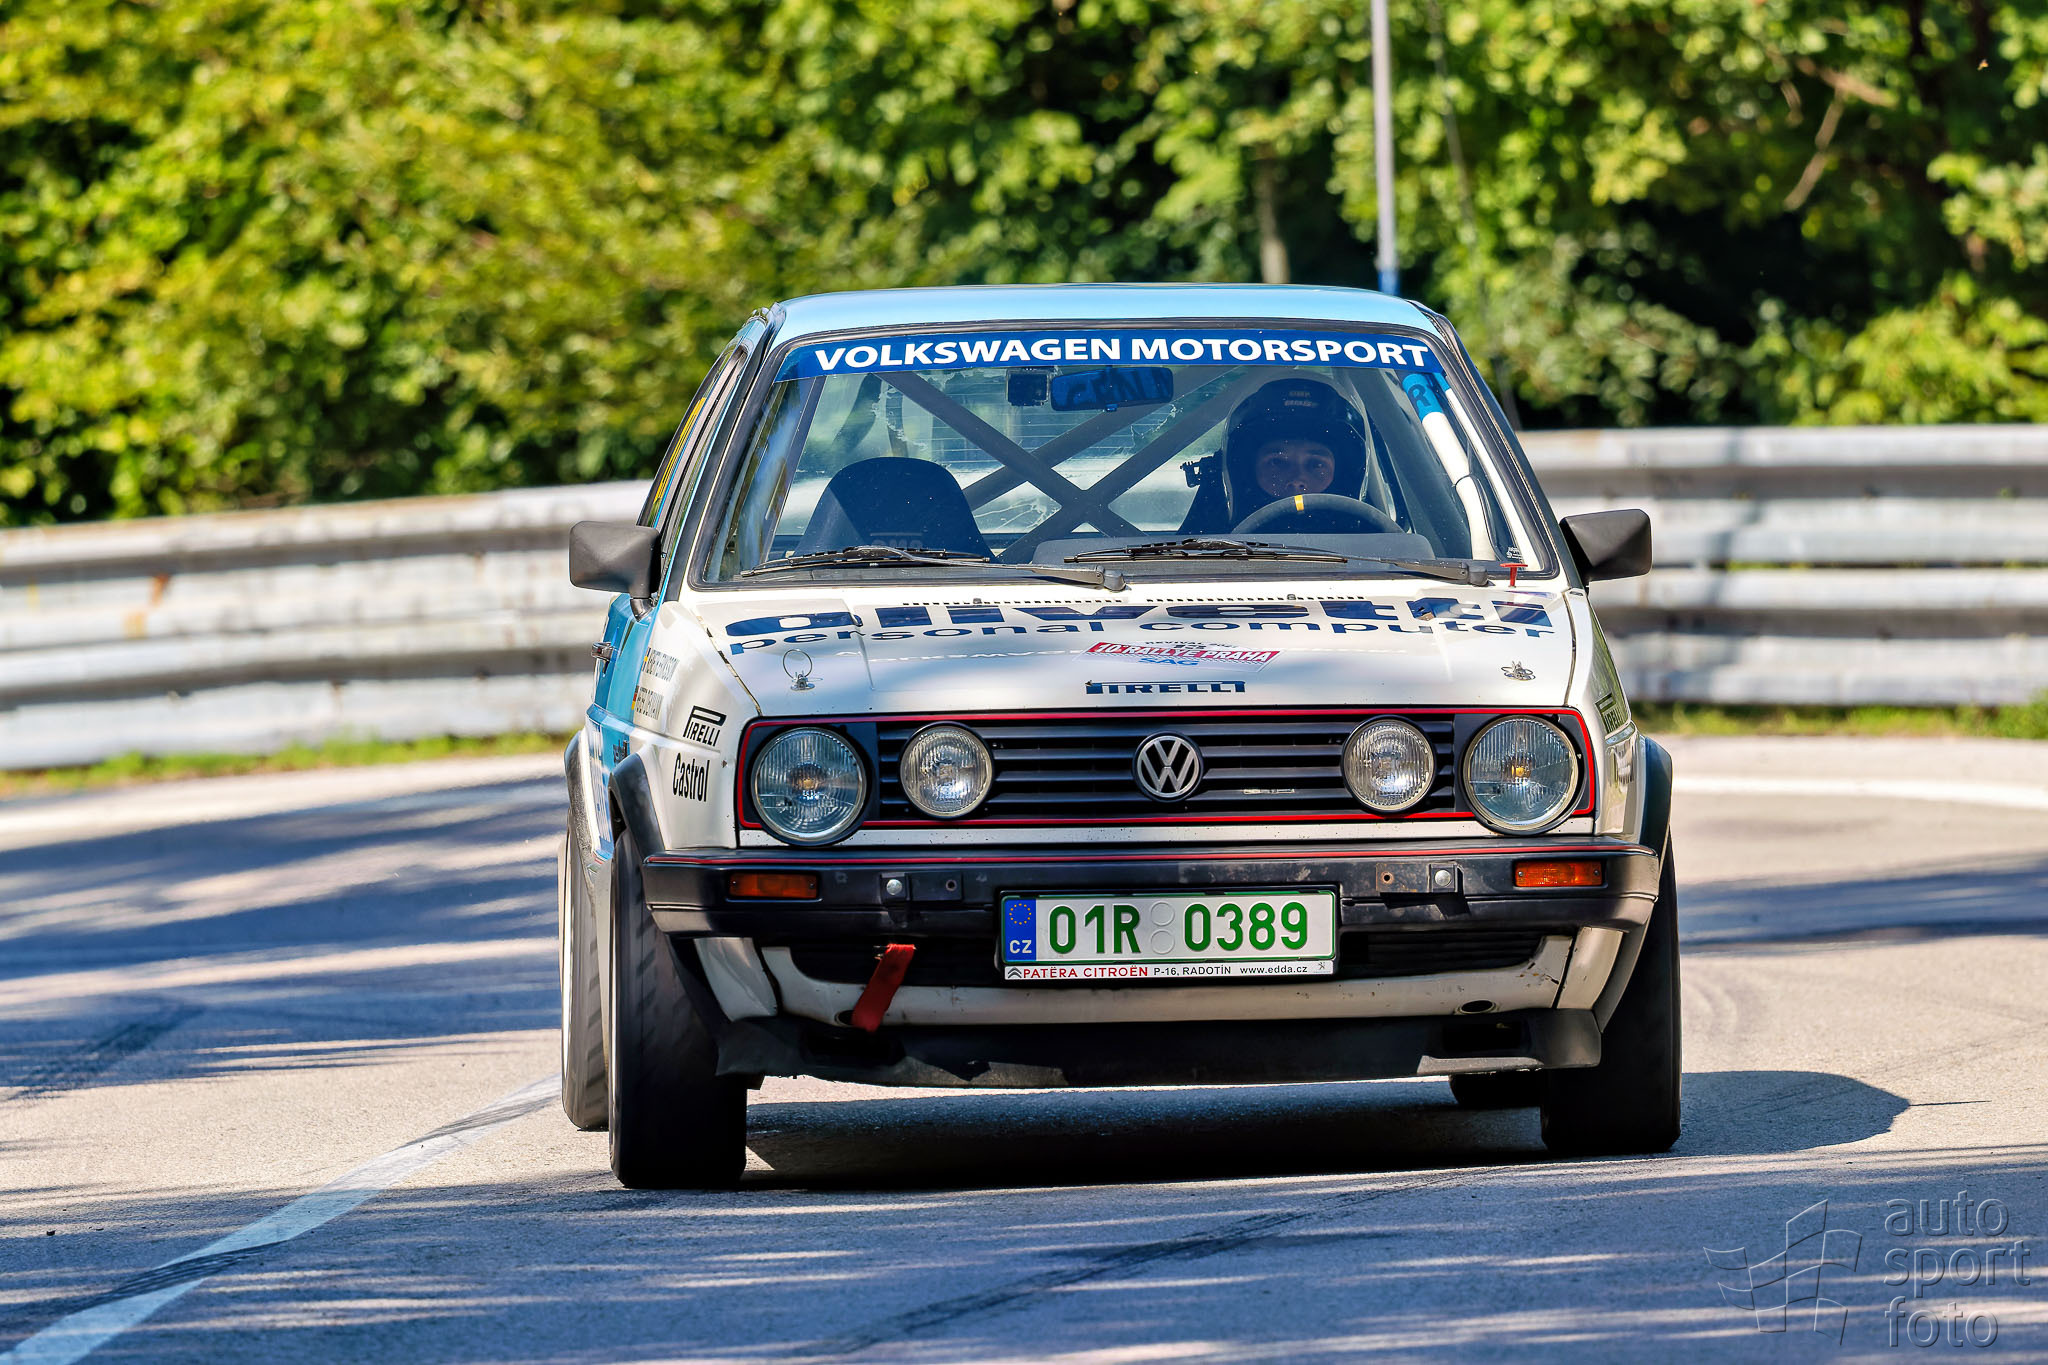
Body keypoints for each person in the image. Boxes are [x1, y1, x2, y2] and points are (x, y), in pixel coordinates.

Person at [1219, 378, 1371, 526]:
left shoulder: (1378, 535)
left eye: (1317, 464)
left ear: (1342, 474)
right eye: (1277, 462)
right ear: (1246, 471)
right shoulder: (1208, 533)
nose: (1297, 480)